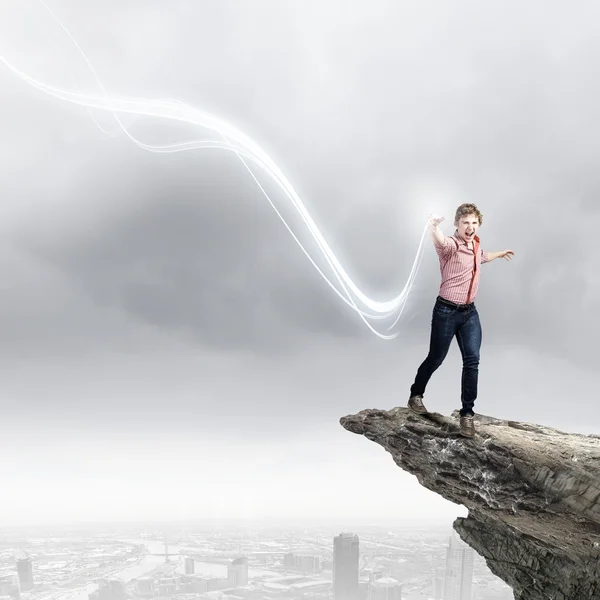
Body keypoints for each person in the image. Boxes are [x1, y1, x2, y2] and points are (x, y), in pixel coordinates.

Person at [407, 203, 514, 438]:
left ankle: (467, 415)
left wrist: (500, 254)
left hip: (469, 314)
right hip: (446, 312)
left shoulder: (475, 244)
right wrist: (433, 226)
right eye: (465, 222)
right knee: (436, 358)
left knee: (472, 360)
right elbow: (440, 242)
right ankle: (416, 395)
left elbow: (482, 257)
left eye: (474, 222)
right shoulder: (451, 246)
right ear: (457, 225)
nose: (470, 227)